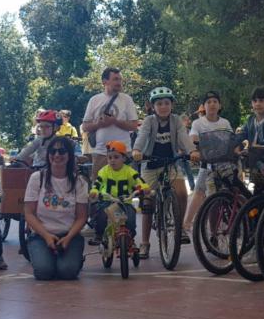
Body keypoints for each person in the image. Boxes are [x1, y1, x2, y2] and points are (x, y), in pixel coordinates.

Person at [132, 87, 199, 259]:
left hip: (171, 163)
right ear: (153, 106)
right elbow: (142, 136)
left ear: (172, 105)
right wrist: (137, 150)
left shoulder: (176, 121)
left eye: (167, 103)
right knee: (148, 202)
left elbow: (184, 138)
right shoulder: (148, 121)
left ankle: (180, 228)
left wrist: (191, 151)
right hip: (150, 165)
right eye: (159, 103)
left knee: (182, 193)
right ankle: (145, 243)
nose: (163, 107)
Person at [24, 136, 89, 280]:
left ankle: (72, 258)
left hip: (69, 235)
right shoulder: (37, 178)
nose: (57, 155)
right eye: (53, 151)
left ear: (70, 155)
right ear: (48, 155)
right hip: (42, 235)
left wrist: (68, 237)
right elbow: (29, 213)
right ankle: (46, 256)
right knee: (44, 272)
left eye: (62, 151)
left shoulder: (80, 182)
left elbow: (82, 217)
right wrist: (46, 236)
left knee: (67, 272)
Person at [182, 91, 233, 243]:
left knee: (232, 192)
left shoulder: (225, 123)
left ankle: (235, 225)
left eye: (215, 101)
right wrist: (195, 147)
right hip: (208, 165)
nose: (212, 104)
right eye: (208, 102)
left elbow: (231, 140)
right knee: (200, 193)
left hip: (224, 164)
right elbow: (193, 138)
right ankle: (187, 225)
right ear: (204, 106)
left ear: (220, 105)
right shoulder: (199, 123)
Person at [82, 67, 139, 181]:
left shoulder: (126, 99)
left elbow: (134, 125)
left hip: (124, 153)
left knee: (129, 188)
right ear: (105, 81)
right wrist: (99, 124)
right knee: (98, 190)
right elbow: (85, 126)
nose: (119, 83)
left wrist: (115, 122)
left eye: (120, 80)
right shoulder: (94, 100)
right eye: (116, 79)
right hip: (101, 153)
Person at [88, 140, 147, 245]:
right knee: (101, 215)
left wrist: (144, 187)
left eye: (116, 157)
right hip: (108, 199)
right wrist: (94, 191)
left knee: (131, 220)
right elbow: (98, 182)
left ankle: (130, 238)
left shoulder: (129, 171)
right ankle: (99, 234)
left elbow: (138, 180)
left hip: (125, 200)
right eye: (109, 158)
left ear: (124, 158)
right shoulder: (104, 171)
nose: (112, 161)